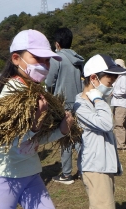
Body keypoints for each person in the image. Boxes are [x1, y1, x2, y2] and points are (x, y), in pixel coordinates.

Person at [0, 29, 74, 209]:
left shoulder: (36, 90)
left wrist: (61, 130)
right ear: (16, 58)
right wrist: (33, 126)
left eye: (47, 60)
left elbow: (34, 141)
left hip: (30, 173)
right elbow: (7, 141)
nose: (44, 64)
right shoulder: (12, 94)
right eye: (37, 58)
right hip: (3, 177)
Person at [74, 54, 126, 209]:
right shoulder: (81, 105)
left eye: (114, 79)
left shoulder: (97, 101)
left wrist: (100, 98)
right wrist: (99, 99)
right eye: (109, 78)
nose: (113, 83)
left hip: (101, 167)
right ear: (93, 79)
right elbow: (107, 124)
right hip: (95, 168)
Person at [45, 28, 85, 185]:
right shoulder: (79, 59)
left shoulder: (57, 58)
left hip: (63, 104)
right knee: (78, 138)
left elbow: (49, 82)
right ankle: (83, 170)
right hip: (79, 102)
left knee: (65, 138)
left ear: (57, 44)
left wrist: (51, 96)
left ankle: (67, 174)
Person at [110, 59, 126, 150]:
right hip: (117, 103)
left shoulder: (123, 77)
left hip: (121, 104)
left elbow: (124, 91)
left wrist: (113, 92)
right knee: (124, 124)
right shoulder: (117, 77)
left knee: (118, 125)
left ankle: (121, 145)